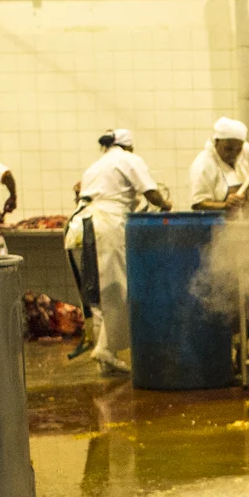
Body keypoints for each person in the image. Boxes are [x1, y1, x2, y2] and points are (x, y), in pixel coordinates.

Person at [70, 127, 169, 374]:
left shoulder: (98, 164)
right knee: (118, 287)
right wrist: (166, 204)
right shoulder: (129, 159)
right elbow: (152, 194)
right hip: (107, 224)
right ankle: (105, 348)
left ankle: (106, 356)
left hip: (83, 224)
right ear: (130, 146)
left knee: (98, 290)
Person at [189, 116, 249, 210]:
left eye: (238, 150)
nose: (234, 154)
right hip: (216, 223)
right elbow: (199, 204)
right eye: (228, 149)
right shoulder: (203, 164)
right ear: (217, 142)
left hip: (247, 222)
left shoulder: (245, 151)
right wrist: (225, 205)